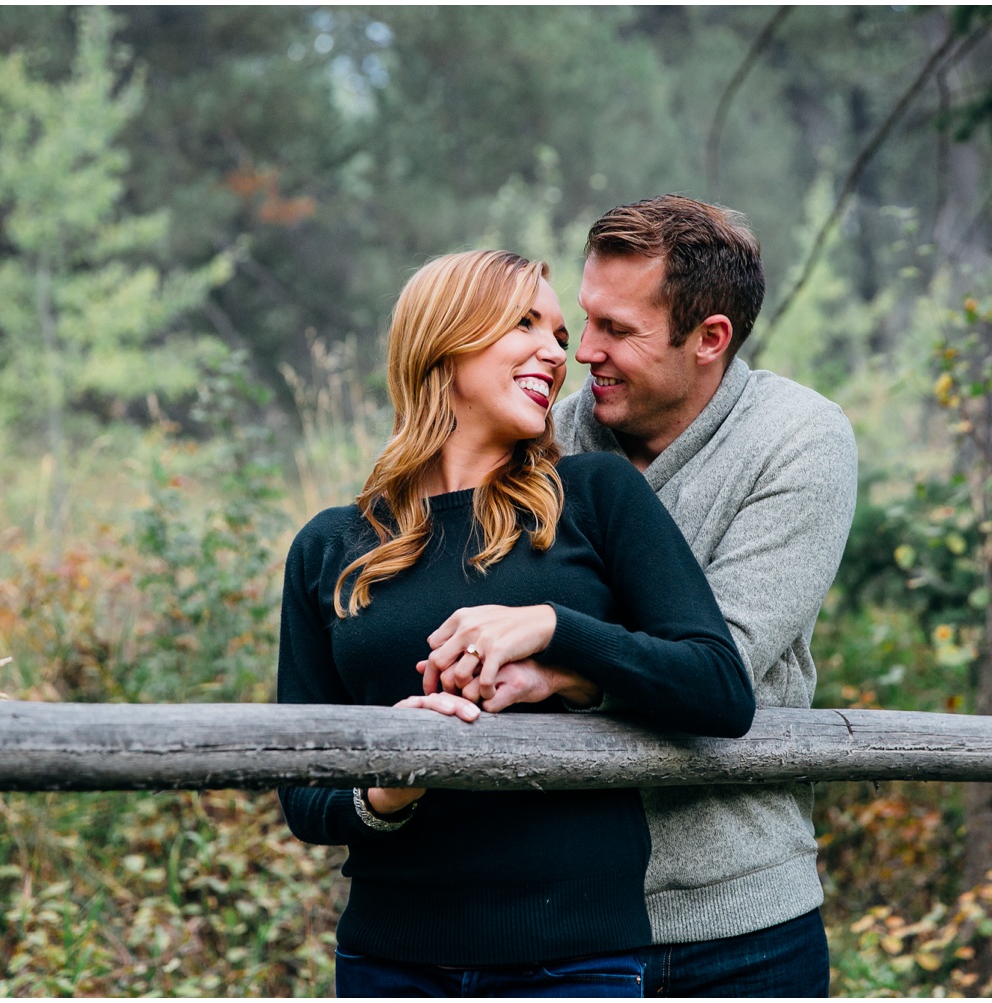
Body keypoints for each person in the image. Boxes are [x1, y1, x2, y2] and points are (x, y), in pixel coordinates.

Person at [275, 249, 756, 997]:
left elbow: (720, 687)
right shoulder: (330, 547)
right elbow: (302, 790)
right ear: (445, 339)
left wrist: (552, 628)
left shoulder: (595, 496)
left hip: (572, 961)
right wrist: (387, 795)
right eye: (526, 322)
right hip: (388, 963)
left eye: (560, 334)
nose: (556, 353)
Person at [431, 196, 859, 996]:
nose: (581, 352)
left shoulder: (799, 439)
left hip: (738, 925)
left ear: (710, 339)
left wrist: (562, 659)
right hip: (558, 927)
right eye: (583, 321)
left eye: (617, 331)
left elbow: (722, 660)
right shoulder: (547, 435)